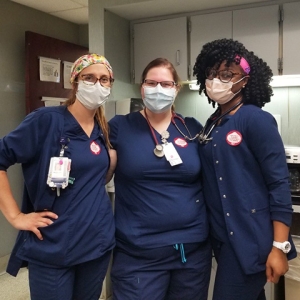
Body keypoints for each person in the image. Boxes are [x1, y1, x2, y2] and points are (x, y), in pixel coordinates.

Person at [0, 53, 116, 300]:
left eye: (104, 79)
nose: (97, 84)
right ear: (75, 82)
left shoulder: (102, 130)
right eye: (89, 78)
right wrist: (16, 216)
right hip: (53, 245)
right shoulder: (46, 121)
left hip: (96, 245)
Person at [193, 38, 297, 300]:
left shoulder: (256, 119)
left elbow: (278, 184)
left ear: (245, 80)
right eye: (212, 73)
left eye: (227, 74)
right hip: (223, 238)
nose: (217, 80)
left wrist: (279, 247)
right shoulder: (214, 121)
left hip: (251, 240)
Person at [108, 57, 212, 300]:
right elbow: (90, 166)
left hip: (192, 251)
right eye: (151, 82)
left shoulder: (191, 128)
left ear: (177, 89)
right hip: (138, 254)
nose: (158, 89)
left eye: (166, 84)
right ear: (141, 87)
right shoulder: (120, 127)